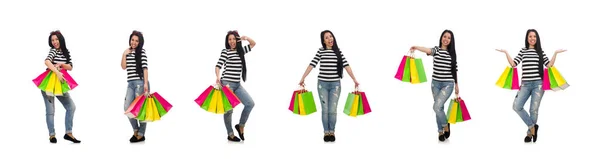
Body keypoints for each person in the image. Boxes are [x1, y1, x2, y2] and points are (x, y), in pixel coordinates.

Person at [495, 29, 566, 143]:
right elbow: (514, 64)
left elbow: (549, 65)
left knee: (533, 109)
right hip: (525, 84)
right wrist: (506, 52)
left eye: (534, 36)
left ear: (537, 38)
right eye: (530, 36)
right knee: (516, 106)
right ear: (527, 38)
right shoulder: (523, 50)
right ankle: (532, 126)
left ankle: (529, 134)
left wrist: (555, 53)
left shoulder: (540, 51)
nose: (532, 38)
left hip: (538, 84)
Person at [298, 30, 359, 142]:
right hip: (322, 85)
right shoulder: (321, 51)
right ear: (323, 41)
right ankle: (326, 132)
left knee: (333, 110)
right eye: (326, 37)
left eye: (331, 36)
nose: (330, 39)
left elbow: (347, 66)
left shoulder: (338, 52)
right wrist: (303, 78)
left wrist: (354, 79)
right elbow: (312, 64)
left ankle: (332, 132)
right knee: (325, 109)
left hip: (335, 85)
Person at [409, 30, 459, 142]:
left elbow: (454, 70)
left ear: (451, 41)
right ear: (441, 38)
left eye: (449, 38)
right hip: (435, 84)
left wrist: (457, 85)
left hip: (448, 84)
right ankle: (440, 132)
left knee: (436, 107)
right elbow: (427, 49)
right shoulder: (436, 50)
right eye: (444, 36)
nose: (446, 39)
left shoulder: (452, 54)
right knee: (439, 108)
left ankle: (445, 125)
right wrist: (416, 47)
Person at [215, 30, 256, 142]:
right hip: (227, 84)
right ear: (227, 41)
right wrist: (218, 77)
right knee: (229, 110)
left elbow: (253, 44)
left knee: (250, 103)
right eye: (229, 39)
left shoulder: (241, 51)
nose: (231, 41)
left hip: (237, 85)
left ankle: (241, 125)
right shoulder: (226, 52)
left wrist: (245, 38)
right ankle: (230, 134)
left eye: (233, 39)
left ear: (236, 40)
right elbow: (218, 66)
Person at [41, 30, 81, 143]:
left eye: (56, 39)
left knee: (71, 107)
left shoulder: (65, 52)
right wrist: (57, 72)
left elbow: (70, 67)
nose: (54, 42)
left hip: (60, 84)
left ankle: (68, 133)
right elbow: (47, 61)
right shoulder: (53, 50)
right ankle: (52, 135)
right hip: (49, 83)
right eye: (52, 40)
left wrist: (61, 65)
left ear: (60, 39)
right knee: (50, 110)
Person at [121, 30, 151, 143]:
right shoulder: (127, 52)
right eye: (132, 40)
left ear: (140, 42)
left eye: (136, 41)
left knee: (141, 109)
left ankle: (141, 134)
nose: (134, 42)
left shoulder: (141, 52)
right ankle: (136, 129)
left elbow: (145, 68)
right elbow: (123, 67)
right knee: (127, 107)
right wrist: (124, 54)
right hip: (130, 83)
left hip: (140, 83)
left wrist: (145, 84)